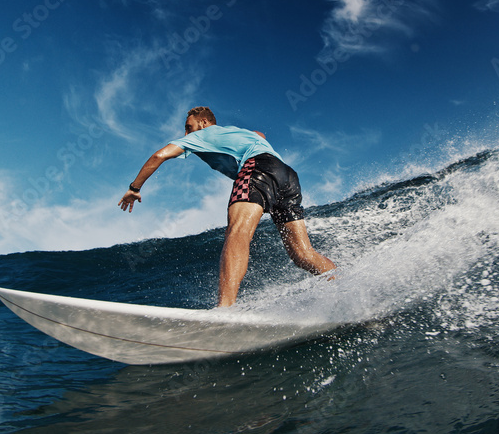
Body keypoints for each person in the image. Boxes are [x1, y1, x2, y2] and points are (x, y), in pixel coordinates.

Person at [118, 106, 336, 307]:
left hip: (256, 168)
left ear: (203, 123)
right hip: (287, 175)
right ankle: (341, 286)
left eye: (189, 128)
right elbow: (259, 135)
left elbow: (159, 155)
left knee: (237, 232)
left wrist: (134, 188)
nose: (187, 134)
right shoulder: (233, 132)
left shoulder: (201, 135)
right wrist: (256, 136)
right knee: (302, 253)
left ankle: (225, 308)